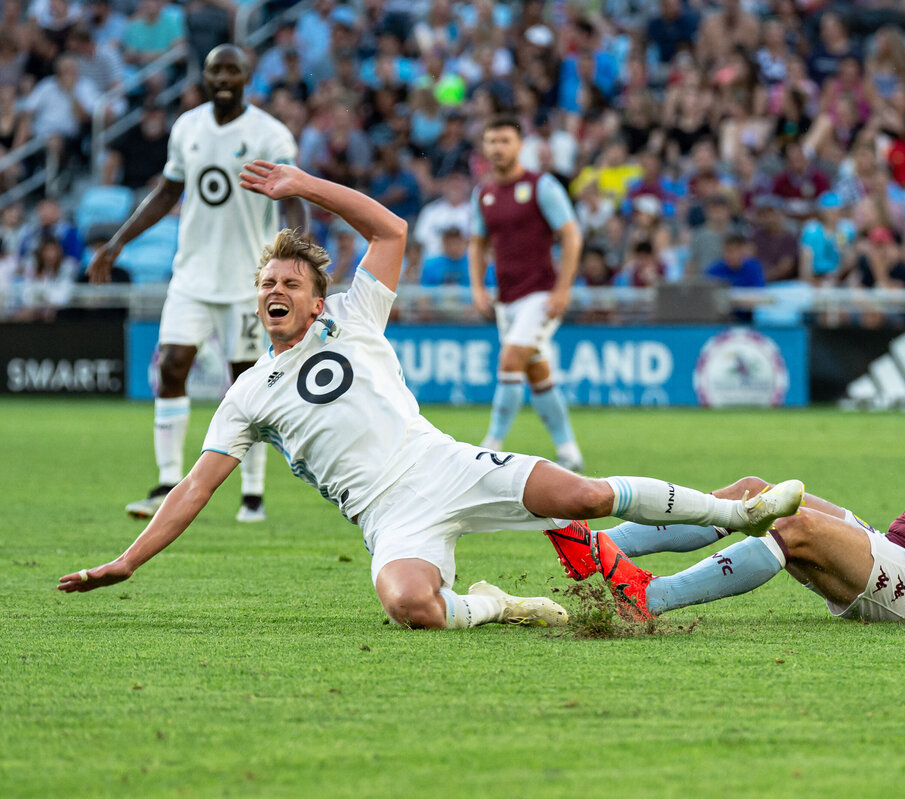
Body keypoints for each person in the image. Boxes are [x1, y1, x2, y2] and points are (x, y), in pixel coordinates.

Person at [57, 160, 806, 632]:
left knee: (577, 493)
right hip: (389, 514)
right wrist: (128, 562)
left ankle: (737, 511)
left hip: (443, 463)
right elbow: (194, 486)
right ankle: (502, 605)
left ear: (318, 300)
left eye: (290, 282)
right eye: (266, 285)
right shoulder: (248, 393)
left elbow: (389, 230)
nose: (274, 291)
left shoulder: (354, 316)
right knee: (408, 605)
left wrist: (303, 185)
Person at [546, 317, 905, 627]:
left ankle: (650, 600)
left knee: (791, 530)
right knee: (756, 494)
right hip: (892, 550)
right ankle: (596, 547)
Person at [87, 45, 307, 523]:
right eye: (215, 70)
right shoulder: (187, 127)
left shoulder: (270, 134)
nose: (223, 77)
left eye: (232, 69)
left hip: (250, 280)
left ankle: (252, 493)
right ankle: (167, 483)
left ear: (248, 76)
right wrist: (118, 243)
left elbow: (293, 197)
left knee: (249, 385)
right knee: (171, 367)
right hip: (190, 276)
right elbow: (167, 192)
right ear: (204, 77)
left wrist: (297, 255)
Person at [469, 116, 586, 472]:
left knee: (510, 361)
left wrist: (563, 289)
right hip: (507, 297)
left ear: (520, 146)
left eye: (505, 141)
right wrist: (477, 287)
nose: (497, 148)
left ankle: (490, 447)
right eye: (491, 141)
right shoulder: (484, 193)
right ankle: (569, 451)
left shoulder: (542, 186)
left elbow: (571, 235)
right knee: (537, 372)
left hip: (541, 293)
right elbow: (477, 243)